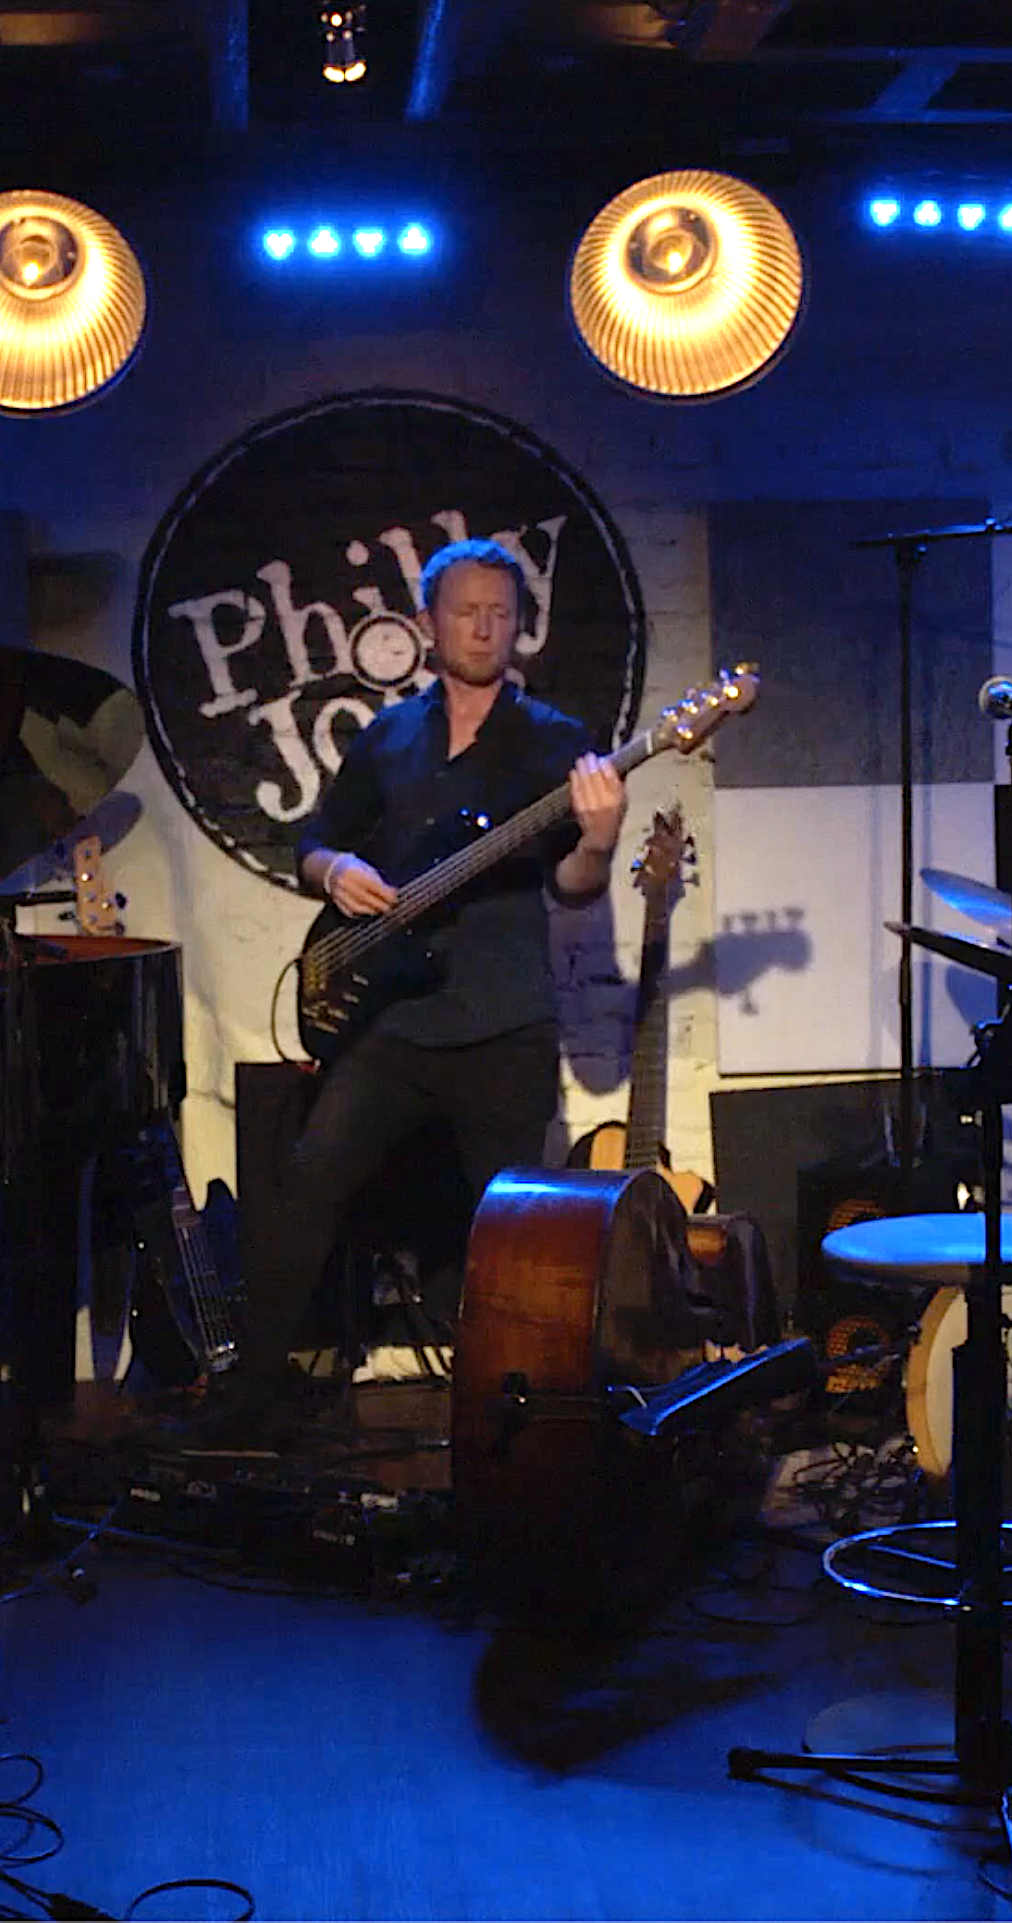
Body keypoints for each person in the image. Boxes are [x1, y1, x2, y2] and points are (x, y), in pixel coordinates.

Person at [199, 537, 625, 1436]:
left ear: (520, 625)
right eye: (466, 610)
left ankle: (524, 1422)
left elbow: (574, 886)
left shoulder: (555, 744)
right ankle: (251, 1400)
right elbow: (312, 839)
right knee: (307, 1184)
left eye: (502, 612)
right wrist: (333, 869)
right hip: (391, 1020)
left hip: (505, 1022)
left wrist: (597, 839)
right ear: (428, 624)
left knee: (516, 1240)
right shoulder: (389, 737)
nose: (484, 626)